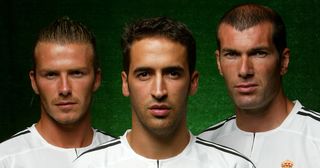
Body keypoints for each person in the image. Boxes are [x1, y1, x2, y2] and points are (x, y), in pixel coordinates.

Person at [74, 16, 255, 168]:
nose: (159, 91)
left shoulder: (233, 165)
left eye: (173, 73)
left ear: (193, 82)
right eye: (144, 74)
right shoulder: (89, 165)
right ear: (125, 83)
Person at [199, 3, 320, 168]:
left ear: (283, 61)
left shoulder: (316, 137)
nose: (244, 70)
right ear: (219, 63)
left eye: (259, 53)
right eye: (232, 55)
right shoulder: (202, 148)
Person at [0, 17, 114, 168]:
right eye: (51, 75)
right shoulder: (6, 159)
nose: (64, 89)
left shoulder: (123, 157)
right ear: (34, 82)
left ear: (97, 79)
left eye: (76, 73)